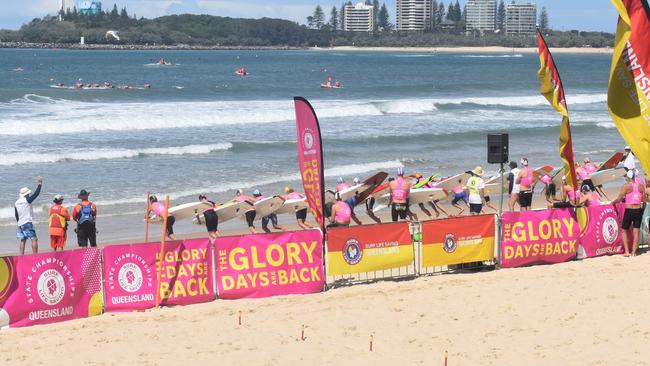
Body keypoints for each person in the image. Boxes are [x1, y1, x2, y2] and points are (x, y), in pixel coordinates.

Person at [611, 171, 645, 257]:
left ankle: (626, 251)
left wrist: (612, 202)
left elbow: (619, 198)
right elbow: (644, 201)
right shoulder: (641, 186)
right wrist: (642, 209)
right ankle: (634, 252)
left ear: (628, 177)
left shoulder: (626, 186)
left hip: (629, 210)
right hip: (638, 210)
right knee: (636, 231)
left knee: (623, 230)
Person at [14, 176, 42, 255]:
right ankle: (35, 256)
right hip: (27, 222)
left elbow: (16, 214)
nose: (29, 195)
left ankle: (21, 256)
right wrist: (40, 184)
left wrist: (19, 222)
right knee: (34, 239)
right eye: (28, 194)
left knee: (22, 240)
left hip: (20, 223)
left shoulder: (16, 202)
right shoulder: (27, 200)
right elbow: (36, 194)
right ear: (26, 194)